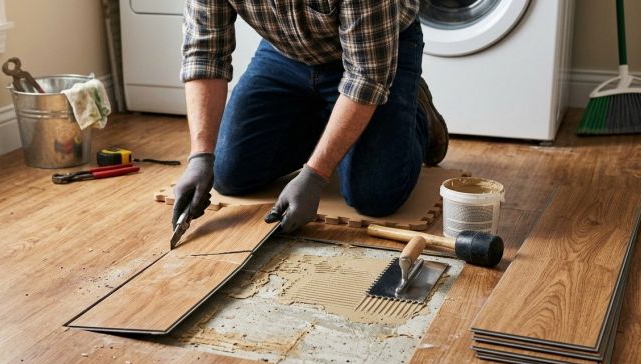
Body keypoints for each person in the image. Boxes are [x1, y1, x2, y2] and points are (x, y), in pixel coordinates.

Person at [172, 0, 448, 234]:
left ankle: (417, 113)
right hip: (286, 52)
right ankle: (331, 116)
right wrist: (200, 157)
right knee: (230, 174)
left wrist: (315, 175)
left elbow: (366, 77)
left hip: (376, 51)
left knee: (375, 196)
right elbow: (204, 53)